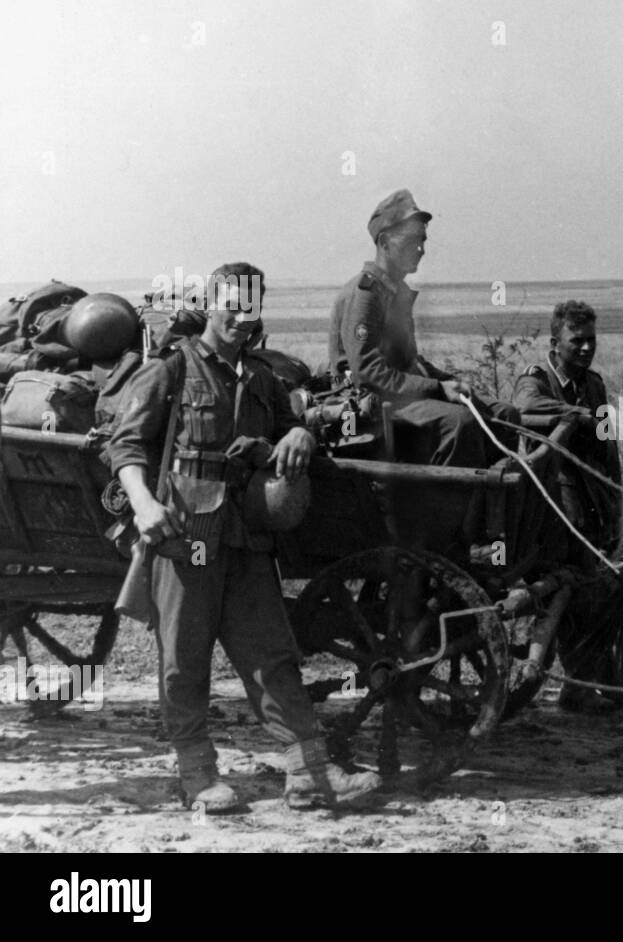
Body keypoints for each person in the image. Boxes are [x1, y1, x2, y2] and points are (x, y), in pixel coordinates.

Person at [105, 262, 382, 813]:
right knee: (183, 660)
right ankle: (198, 777)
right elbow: (125, 447)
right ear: (210, 303)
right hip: (185, 539)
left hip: (248, 540)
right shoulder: (172, 371)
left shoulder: (261, 379)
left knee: (273, 657)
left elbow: (286, 428)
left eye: (251, 306)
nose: (241, 317)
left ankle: (311, 776)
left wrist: (300, 431)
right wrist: (143, 504)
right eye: (231, 304)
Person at [328, 189, 519, 466]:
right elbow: (367, 373)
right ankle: (453, 505)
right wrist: (439, 388)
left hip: (401, 397)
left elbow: (410, 361)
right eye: (411, 241)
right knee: (461, 423)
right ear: (384, 243)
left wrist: (449, 381)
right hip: (370, 405)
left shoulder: (397, 292)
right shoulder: (367, 294)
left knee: (505, 415)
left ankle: (497, 503)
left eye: (422, 240)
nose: (421, 249)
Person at [513, 300, 623, 712]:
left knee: (600, 587)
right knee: (580, 588)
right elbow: (524, 408)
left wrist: (617, 498)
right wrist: (572, 413)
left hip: (592, 502)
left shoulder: (593, 383)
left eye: (590, 340)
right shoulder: (537, 377)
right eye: (576, 341)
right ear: (554, 342)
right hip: (552, 504)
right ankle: (580, 685)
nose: (584, 348)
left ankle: (591, 677)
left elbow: (607, 447)